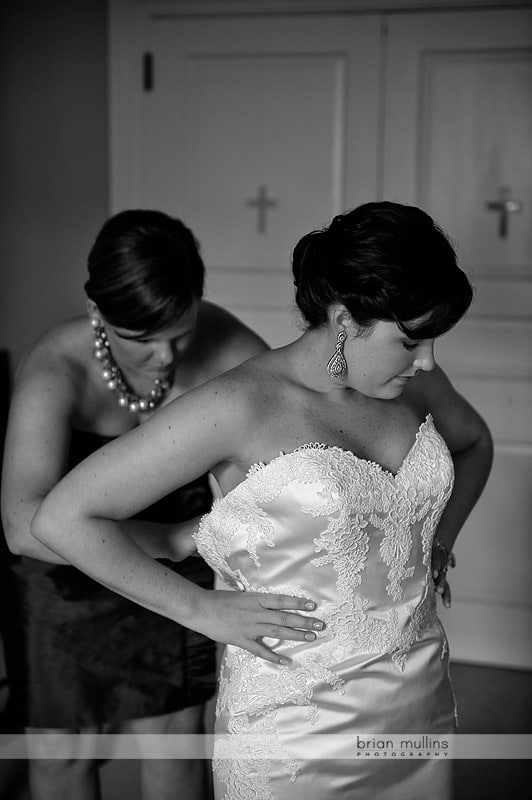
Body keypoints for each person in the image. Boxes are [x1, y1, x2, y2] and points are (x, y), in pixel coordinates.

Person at [31, 201, 493, 799]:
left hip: (416, 703)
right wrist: (199, 609)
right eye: (409, 340)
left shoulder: (417, 384)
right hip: (294, 728)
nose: (428, 359)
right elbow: (62, 517)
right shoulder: (239, 405)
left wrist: (438, 535)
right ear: (345, 319)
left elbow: (475, 442)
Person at [0, 209, 323, 800]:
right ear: (97, 311)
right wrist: (172, 539)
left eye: (180, 332)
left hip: (181, 571)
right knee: (60, 754)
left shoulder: (226, 343)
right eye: (141, 340)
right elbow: (23, 526)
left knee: (176, 738)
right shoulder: (57, 367)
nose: (165, 358)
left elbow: (300, 442)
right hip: (62, 572)